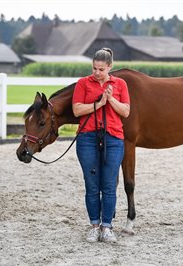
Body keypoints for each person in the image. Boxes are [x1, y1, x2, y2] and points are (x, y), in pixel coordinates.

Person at [72, 48, 130, 243]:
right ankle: (94, 226)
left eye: (101, 69)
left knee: (109, 185)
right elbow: (77, 109)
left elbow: (126, 112)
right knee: (91, 185)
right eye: (94, 68)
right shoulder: (83, 83)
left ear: (110, 67)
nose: (97, 73)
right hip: (87, 137)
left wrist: (111, 99)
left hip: (113, 138)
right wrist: (100, 102)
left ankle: (107, 227)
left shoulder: (120, 84)